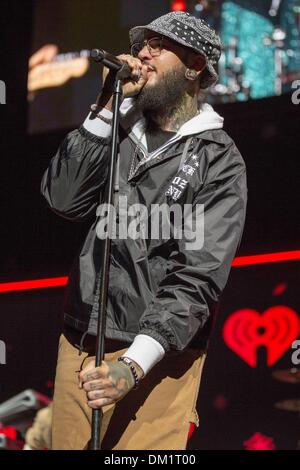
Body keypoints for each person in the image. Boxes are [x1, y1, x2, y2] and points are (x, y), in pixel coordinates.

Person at [41, 11, 247, 450]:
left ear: (194, 67)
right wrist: (106, 109)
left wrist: (133, 365)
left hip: (158, 359)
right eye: (141, 45)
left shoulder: (219, 160)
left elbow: (199, 275)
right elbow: (63, 199)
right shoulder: (115, 129)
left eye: (159, 45)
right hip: (80, 343)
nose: (142, 54)